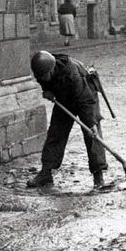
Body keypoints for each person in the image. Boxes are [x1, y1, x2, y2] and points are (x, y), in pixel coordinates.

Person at [27, 51, 107, 189]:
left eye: (43, 76)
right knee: (55, 133)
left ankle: (98, 176)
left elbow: (85, 100)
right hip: (64, 97)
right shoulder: (41, 69)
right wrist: (47, 90)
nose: (40, 78)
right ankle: (46, 173)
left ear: (51, 70)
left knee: (92, 135)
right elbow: (43, 81)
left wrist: (91, 123)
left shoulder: (71, 74)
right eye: (38, 76)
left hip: (86, 94)